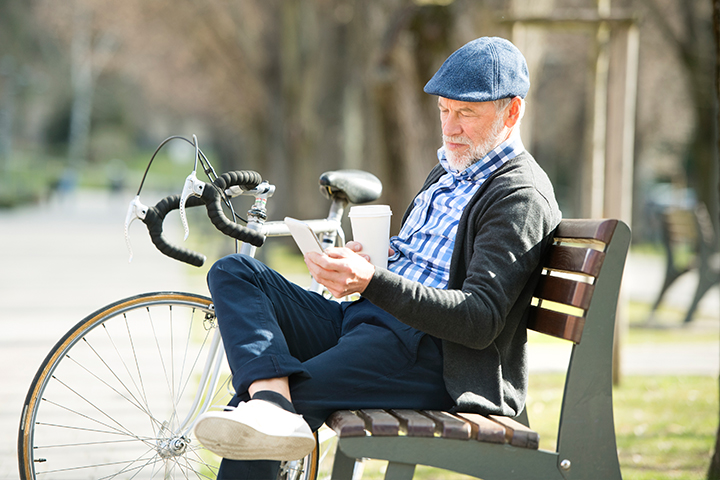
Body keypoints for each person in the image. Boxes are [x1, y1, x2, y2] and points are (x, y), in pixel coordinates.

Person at [193, 36, 562, 479]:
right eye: (444, 110)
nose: (450, 127)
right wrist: (375, 259)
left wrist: (372, 281)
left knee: (259, 416)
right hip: (366, 324)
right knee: (237, 272)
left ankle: (271, 402)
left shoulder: (518, 196)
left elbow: (479, 320)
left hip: (435, 360)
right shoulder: (449, 171)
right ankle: (272, 399)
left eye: (467, 113)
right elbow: (423, 264)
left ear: (512, 112)